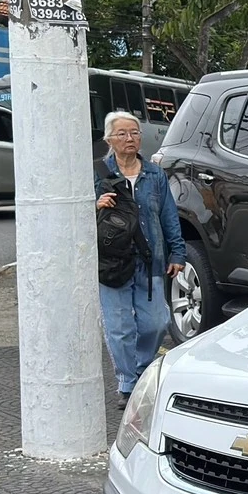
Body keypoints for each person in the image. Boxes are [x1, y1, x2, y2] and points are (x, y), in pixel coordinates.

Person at [95, 111, 186, 409]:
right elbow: (75, 216)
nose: (130, 138)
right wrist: (95, 205)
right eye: (122, 133)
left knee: (156, 323)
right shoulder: (98, 172)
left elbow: (168, 215)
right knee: (119, 327)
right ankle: (128, 382)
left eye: (134, 132)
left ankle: (141, 369)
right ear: (109, 139)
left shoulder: (154, 174)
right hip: (112, 262)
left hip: (150, 259)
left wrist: (177, 252)